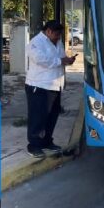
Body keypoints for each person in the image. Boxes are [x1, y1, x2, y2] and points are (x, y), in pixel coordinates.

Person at [25, 20, 76, 158]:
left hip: (55, 85)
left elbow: (61, 56)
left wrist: (68, 59)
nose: (59, 37)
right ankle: (34, 145)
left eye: (60, 34)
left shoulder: (57, 42)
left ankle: (47, 141)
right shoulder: (35, 43)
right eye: (57, 34)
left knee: (52, 115)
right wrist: (61, 61)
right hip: (39, 85)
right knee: (38, 117)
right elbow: (43, 60)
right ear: (48, 31)